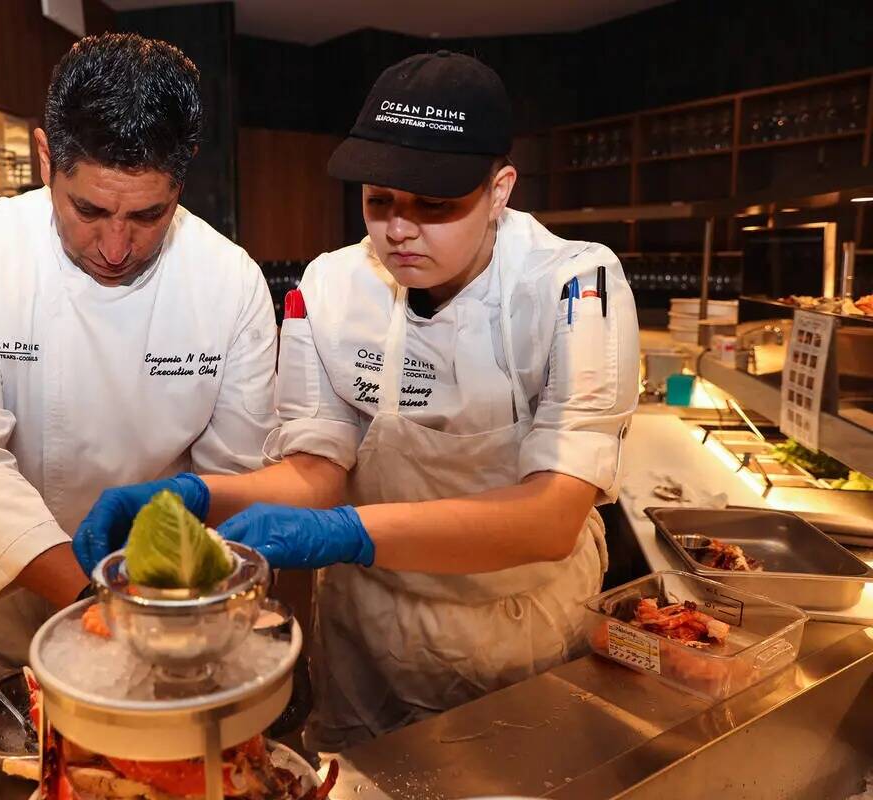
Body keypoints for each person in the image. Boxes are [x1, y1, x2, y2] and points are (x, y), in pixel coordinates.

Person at [75, 50, 640, 750]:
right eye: (380, 202)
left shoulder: (575, 289)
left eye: (435, 205)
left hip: (515, 631)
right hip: (367, 635)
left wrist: (351, 533)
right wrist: (192, 498)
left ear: (500, 190)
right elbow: (318, 471)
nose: (399, 230)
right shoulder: (331, 286)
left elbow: (553, 516)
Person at [0, 33, 277, 676]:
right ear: (45, 156)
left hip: (170, 605)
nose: (115, 246)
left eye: (149, 215)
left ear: (180, 183)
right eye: (90, 209)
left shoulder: (229, 281)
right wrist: (98, 603)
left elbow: (233, 480)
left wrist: (158, 609)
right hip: (14, 602)